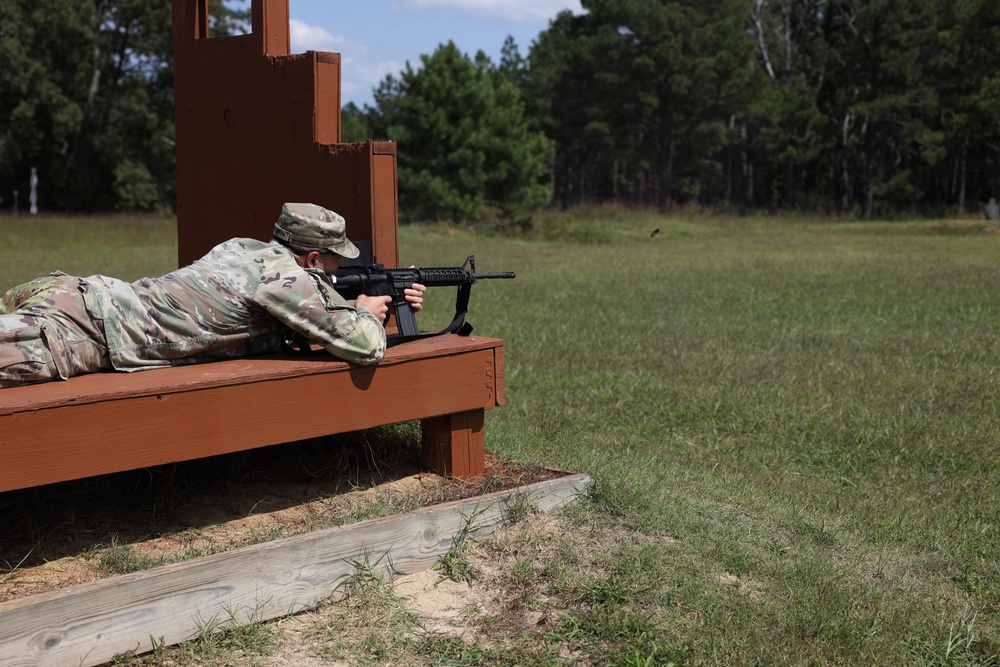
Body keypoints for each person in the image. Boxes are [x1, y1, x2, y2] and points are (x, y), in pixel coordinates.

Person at [0, 203, 426, 387]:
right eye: (336, 261)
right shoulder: (286, 282)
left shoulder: (242, 247)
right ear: (314, 259)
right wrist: (367, 312)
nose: (340, 267)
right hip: (77, 332)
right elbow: (366, 347)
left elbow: (259, 316)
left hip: (68, 291)